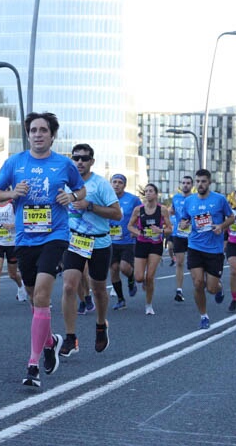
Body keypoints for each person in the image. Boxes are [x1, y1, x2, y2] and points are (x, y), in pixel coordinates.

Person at [0, 112, 86, 387]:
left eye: (43, 130)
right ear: (28, 134)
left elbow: (81, 190)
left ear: (52, 135)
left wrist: (71, 196)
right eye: (33, 130)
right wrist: (11, 194)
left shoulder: (64, 164)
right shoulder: (15, 163)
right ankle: (51, 340)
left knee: (43, 296)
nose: (38, 134)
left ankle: (33, 364)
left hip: (55, 235)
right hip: (24, 238)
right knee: (34, 299)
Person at [57, 144, 121, 358]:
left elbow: (117, 214)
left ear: (92, 161)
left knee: (100, 289)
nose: (80, 162)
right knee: (68, 286)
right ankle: (69, 336)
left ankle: (101, 325)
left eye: (85, 158)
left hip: (100, 242)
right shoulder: (65, 185)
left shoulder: (101, 185)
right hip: (75, 241)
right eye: (76, 158)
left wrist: (90, 206)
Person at [174, 169, 234, 329]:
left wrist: (221, 226)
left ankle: (219, 288)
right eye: (198, 181)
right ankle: (203, 316)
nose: (200, 184)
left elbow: (231, 217)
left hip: (214, 249)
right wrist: (183, 224)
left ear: (209, 182)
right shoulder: (189, 201)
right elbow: (184, 220)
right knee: (198, 283)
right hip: (195, 246)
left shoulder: (220, 199)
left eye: (203, 181)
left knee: (211, 288)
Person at [128, 184, 170, 315]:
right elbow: (129, 226)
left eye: (151, 191)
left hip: (155, 245)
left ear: (156, 194)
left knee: (150, 276)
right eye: (146, 191)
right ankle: (140, 281)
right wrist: (138, 233)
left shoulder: (162, 210)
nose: (148, 193)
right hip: (141, 244)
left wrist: (161, 230)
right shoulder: (138, 210)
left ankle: (148, 305)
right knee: (140, 277)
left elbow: (170, 229)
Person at [0, 198, 27, 313]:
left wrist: (11, 225)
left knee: (12, 274)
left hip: (12, 243)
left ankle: (20, 286)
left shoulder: (13, 204)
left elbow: (23, 221)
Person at [109, 173, 141, 311]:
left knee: (124, 268)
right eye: (114, 182)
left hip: (128, 240)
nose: (116, 184)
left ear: (124, 185)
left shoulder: (133, 199)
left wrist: (137, 229)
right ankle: (121, 299)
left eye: (119, 182)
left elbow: (142, 214)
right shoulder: (106, 198)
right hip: (110, 240)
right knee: (114, 270)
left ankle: (131, 277)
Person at [169, 175, 194, 302]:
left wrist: (189, 222)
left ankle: (201, 284)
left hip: (193, 235)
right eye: (183, 183)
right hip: (179, 234)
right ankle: (179, 290)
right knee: (179, 263)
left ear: (192, 185)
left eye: (188, 183)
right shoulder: (176, 197)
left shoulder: (195, 198)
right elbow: (173, 210)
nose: (185, 185)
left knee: (194, 264)